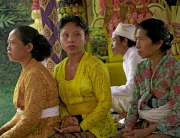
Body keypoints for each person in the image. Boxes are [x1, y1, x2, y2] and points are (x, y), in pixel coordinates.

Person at [52, 14, 117, 138]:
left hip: (97, 125)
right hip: (71, 123)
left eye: (76, 34)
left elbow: (105, 103)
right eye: (65, 35)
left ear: (86, 38)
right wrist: (66, 117)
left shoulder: (95, 66)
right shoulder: (58, 69)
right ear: (59, 39)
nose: (71, 39)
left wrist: (81, 126)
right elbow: (58, 101)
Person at [113, 18, 180, 138]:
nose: (137, 45)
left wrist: (148, 130)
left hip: (169, 127)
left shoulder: (175, 69)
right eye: (136, 39)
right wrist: (128, 127)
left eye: (141, 39)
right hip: (143, 123)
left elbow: (178, 112)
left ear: (158, 43)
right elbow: (134, 104)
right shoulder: (141, 68)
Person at [0, 26, 61, 138]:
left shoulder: (34, 74)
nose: (8, 47)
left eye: (12, 43)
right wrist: (3, 130)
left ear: (28, 47)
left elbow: (31, 119)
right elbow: (21, 113)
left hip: (44, 131)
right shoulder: (29, 70)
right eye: (8, 43)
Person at [111, 23, 143, 114]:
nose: (111, 44)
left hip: (144, 101)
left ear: (124, 41)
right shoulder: (128, 56)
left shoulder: (134, 55)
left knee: (106, 98)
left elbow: (131, 89)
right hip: (138, 98)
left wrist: (106, 90)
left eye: (114, 40)